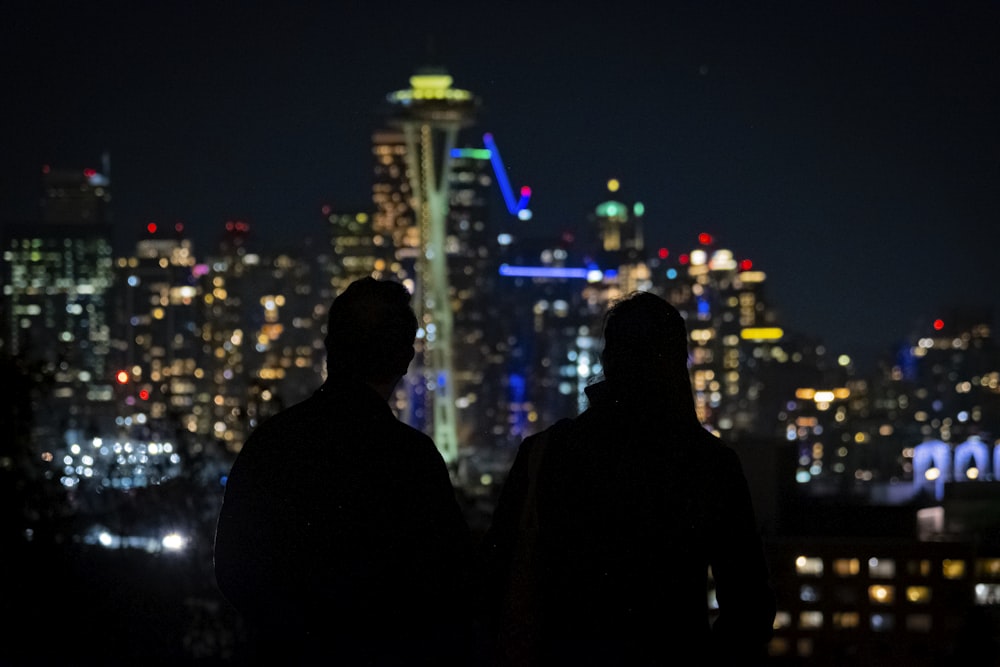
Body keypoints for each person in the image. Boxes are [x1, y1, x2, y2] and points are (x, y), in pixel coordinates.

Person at [477, 291, 776, 666]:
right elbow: (749, 606)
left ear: (607, 360)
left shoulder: (546, 453)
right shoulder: (710, 463)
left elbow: (494, 578)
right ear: (678, 365)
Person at [214, 277, 473, 666]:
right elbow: (448, 581)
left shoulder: (272, 444)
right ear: (404, 357)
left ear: (329, 348)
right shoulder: (410, 459)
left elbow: (233, 567)